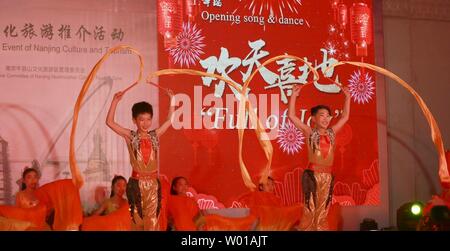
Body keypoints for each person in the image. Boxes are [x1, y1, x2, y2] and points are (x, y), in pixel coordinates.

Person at [106, 89, 174, 230]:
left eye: (148, 119)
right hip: (136, 185)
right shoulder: (130, 136)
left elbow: (169, 120)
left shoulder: (154, 135)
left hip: (153, 185)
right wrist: (115, 101)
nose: (145, 123)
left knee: (153, 223)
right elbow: (110, 122)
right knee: (137, 222)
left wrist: (172, 99)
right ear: (134, 120)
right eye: (141, 119)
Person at [288, 84, 350, 231]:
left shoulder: (331, 133)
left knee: (323, 210)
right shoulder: (309, 132)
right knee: (310, 208)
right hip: (312, 175)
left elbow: (345, 117)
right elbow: (292, 116)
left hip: (327, 176)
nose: (326, 118)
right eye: (321, 115)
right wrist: (293, 96)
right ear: (314, 118)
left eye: (328, 116)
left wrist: (347, 98)